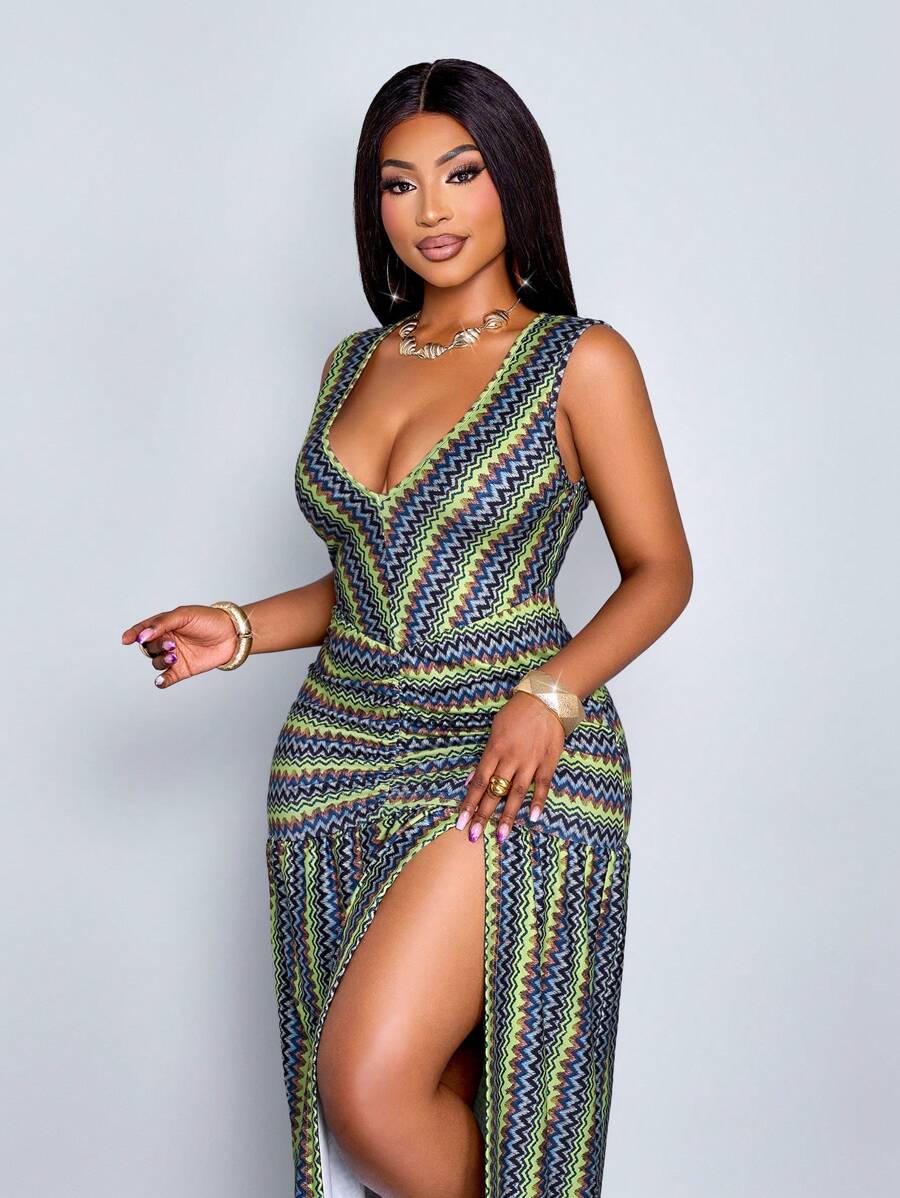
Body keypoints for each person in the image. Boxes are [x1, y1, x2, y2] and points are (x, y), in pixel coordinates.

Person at [121, 58, 692, 1198]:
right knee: (366, 1107)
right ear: (373, 204)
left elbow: (661, 570)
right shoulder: (353, 364)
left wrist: (551, 694)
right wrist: (239, 627)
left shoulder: (579, 360)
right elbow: (382, 580)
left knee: (369, 1086)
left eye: (460, 173)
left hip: (506, 749)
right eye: (399, 183)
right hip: (333, 752)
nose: (430, 208)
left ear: (513, 181)